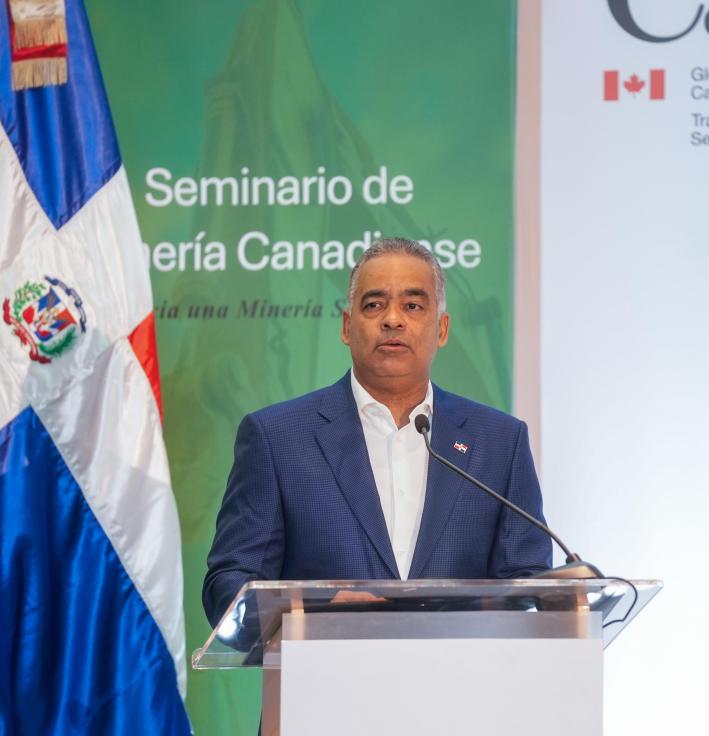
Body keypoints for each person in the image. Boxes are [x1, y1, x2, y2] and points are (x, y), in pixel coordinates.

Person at [202, 237, 552, 627]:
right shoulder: (277, 439)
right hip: (326, 663)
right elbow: (229, 586)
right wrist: (317, 610)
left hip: (463, 666)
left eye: (413, 305)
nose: (392, 320)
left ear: (442, 329)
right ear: (347, 327)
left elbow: (529, 586)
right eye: (374, 305)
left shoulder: (499, 443)